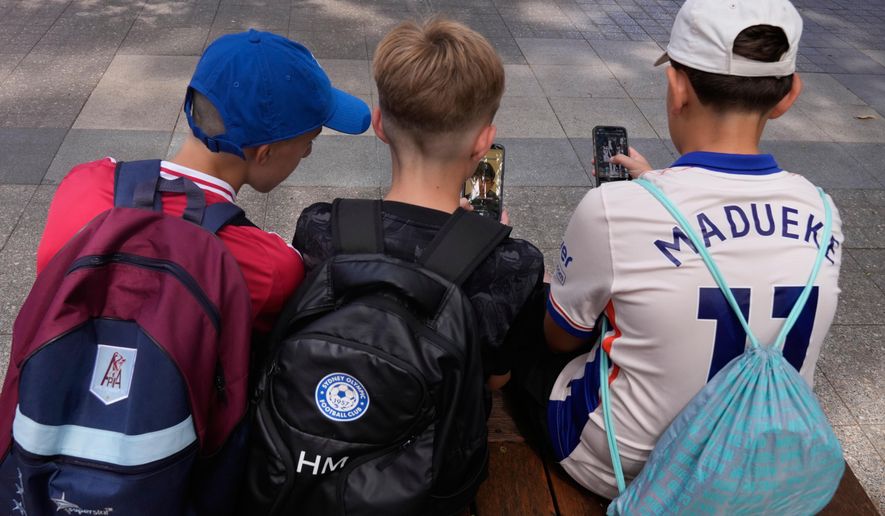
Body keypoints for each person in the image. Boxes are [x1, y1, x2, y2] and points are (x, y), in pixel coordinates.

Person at [512, 0, 845, 499]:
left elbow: (560, 340)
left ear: (677, 86)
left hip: (620, 467)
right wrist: (657, 182)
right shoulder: (824, 211)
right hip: (758, 459)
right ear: (788, 96)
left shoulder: (614, 209)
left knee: (535, 314)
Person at [37, 29, 371, 335]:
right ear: (265, 154)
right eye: (308, 142)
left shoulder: (82, 184)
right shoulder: (268, 268)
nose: (308, 154)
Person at [294, 18, 545, 389]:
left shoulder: (320, 227)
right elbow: (494, 380)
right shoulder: (512, 264)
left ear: (379, 124)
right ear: (483, 142)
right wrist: (481, 241)